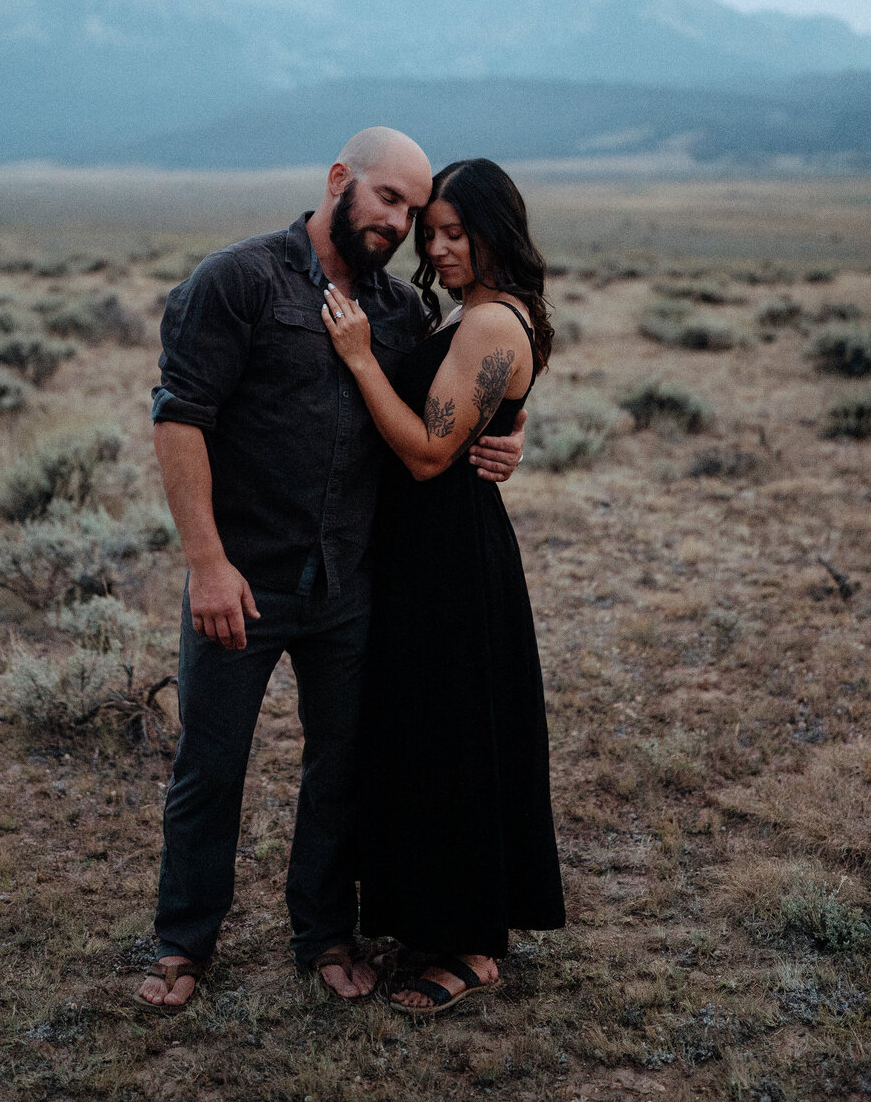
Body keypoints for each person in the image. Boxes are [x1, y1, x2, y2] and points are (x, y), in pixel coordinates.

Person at [135, 129, 526, 1010]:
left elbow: (447, 410)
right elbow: (180, 417)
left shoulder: (401, 312)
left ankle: (324, 935)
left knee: (341, 768)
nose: (401, 224)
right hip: (243, 580)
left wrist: (506, 439)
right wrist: (207, 563)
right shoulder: (238, 280)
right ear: (340, 179)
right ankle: (183, 943)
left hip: (353, 581)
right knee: (210, 766)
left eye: (415, 212)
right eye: (389, 199)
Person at [320, 157, 566, 1016]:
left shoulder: (491, 321)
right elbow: (488, 412)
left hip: (451, 556)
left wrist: (360, 359)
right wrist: (511, 431)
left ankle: (471, 950)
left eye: (458, 233)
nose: (440, 249)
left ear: (497, 231)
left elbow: (428, 454)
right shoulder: (481, 314)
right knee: (426, 735)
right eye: (431, 235)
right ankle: (432, 918)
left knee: (455, 738)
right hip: (427, 549)